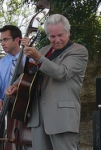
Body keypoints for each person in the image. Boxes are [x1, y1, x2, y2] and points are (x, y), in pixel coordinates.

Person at [5, 14, 88, 150]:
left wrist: (39, 57)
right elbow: (29, 73)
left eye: (60, 35)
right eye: (52, 36)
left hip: (62, 118)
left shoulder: (78, 51)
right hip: (38, 118)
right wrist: (15, 85)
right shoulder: (44, 50)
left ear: (69, 32)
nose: (56, 40)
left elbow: (62, 72)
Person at [0, 25, 26, 112]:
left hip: (29, 110)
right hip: (7, 111)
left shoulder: (30, 59)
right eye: (1, 40)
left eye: (6, 39)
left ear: (17, 40)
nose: (2, 43)